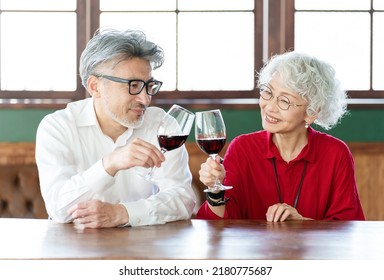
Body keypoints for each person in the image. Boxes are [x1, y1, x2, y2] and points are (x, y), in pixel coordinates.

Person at [36, 28, 196, 228]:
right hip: (76, 249)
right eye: (133, 85)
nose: (145, 99)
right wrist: (109, 164)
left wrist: (122, 213)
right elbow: (59, 209)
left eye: (149, 86)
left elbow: (183, 199)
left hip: (146, 250)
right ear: (95, 87)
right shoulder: (57, 127)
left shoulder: (162, 125)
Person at [196, 51, 365, 221]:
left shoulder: (335, 153)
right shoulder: (243, 148)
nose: (270, 107)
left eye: (284, 101)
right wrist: (215, 191)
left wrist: (302, 223)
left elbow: (348, 228)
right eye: (268, 92)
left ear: (312, 112)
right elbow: (221, 224)